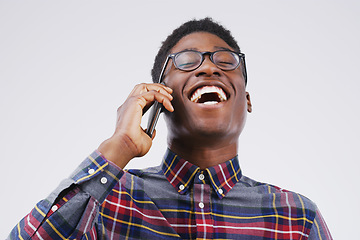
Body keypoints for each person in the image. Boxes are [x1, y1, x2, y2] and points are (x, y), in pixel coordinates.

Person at [8, 18, 332, 240]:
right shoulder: (106, 199)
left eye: (225, 61)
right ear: (159, 94)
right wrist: (119, 144)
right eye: (187, 61)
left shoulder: (296, 219)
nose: (208, 67)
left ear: (246, 98)